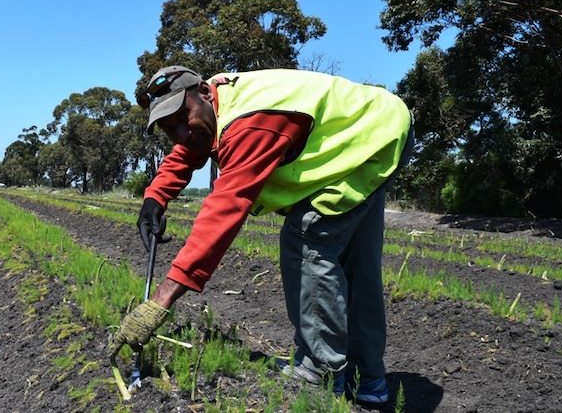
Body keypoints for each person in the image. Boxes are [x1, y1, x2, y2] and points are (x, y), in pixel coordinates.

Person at [107, 65, 414, 404]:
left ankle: (320, 373)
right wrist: (155, 197)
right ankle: (367, 381)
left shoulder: (251, 121)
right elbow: (191, 145)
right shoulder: (216, 105)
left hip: (369, 141)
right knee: (355, 263)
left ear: (205, 94)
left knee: (308, 238)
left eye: (182, 116)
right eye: (169, 128)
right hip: (378, 131)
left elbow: (224, 210)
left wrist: (160, 301)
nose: (180, 132)